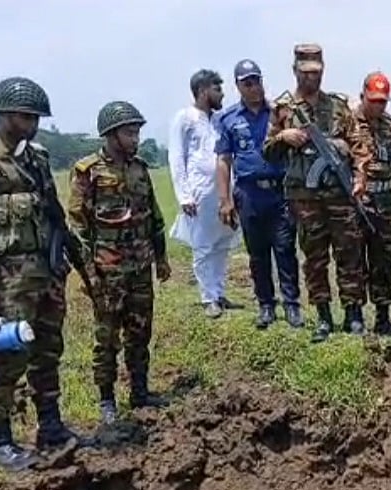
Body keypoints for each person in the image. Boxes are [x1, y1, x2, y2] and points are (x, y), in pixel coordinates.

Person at [0, 76, 88, 471]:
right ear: (4, 114)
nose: (32, 124)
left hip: (47, 272)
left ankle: (50, 425)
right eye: (25, 116)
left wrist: (74, 259)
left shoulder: (39, 160)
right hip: (9, 280)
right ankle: (1, 441)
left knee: (48, 351)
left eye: (36, 118)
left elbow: (55, 215)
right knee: (7, 357)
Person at [67, 101, 171, 425]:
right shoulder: (88, 172)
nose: (135, 138)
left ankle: (140, 392)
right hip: (107, 270)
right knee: (107, 338)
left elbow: (153, 216)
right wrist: (89, 274)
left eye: (138, 132)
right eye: (129, 132)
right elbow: (78, 228)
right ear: (111, 135)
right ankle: (107, 401)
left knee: (140, 333)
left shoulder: (140, 169)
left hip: (140, 266)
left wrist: (161, 258)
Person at [263, 43, 372, 343]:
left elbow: (360, 146)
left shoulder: (338, 105)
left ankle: (353, 313)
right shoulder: (283, 109)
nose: (313, 79)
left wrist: (360, 176)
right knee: (315, 257)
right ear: (295, 71)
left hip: (339, 193)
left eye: (317, 73)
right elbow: (268, 153)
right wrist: (284, 137)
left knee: (349, 253)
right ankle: (323, 315)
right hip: (305, 197)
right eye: (306, 73)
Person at [215, 59, 303, 330]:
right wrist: (225, 200)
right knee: (257, 253)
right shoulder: (229, 118)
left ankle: (292, 305)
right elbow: (223, 161)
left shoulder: (281, 112)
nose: (254, 88)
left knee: (285, 249)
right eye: (247, 83)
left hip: (280, 191)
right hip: (248, 193)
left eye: (257, 81)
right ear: (238, 86)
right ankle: (266, 304)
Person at [168, 69, 241, 318]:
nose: (221, 93)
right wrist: (184, 195)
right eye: (217, 88)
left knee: (222, 244)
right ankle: (208, 297)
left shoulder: (221, 119)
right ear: (202, 91)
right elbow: (177, 157)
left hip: (223, 193)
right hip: (198, 194)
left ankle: (219, 292)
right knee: (203, 247)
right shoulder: (185, 118)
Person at [353, 72, 391, 335]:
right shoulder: (347, 123)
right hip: (358, 198)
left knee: (383, 257)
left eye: (382, 101)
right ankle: (356, 316)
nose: (377, 106)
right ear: (362, 95)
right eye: (373, 100)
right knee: (355, 258)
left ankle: (383, 317)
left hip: (384, 198)